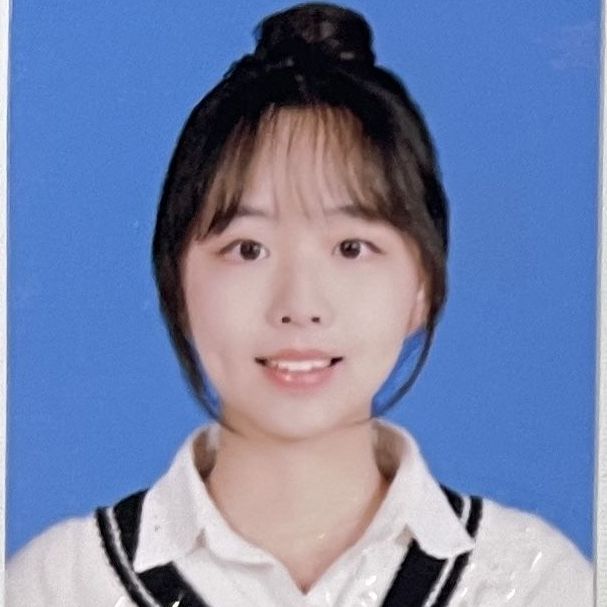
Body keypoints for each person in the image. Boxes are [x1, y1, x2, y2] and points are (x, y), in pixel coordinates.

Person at [7, 3, 592, 606]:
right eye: (248, 249)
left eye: (351, 247)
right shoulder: (61, 585)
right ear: (177, 284)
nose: (299, 306)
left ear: (422, 285)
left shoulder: (532, 582)